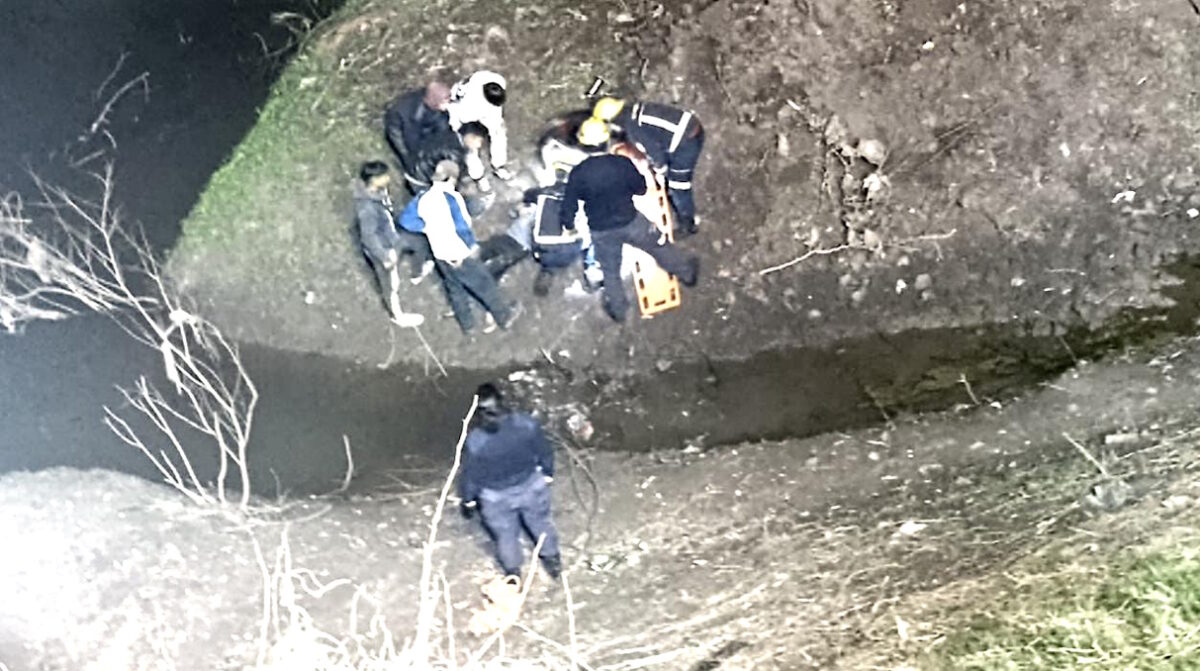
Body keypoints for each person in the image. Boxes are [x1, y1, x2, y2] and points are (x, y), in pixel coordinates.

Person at [560, 119, 698, 322]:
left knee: (610, 270)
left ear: (582, 143)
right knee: (659, 245)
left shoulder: (579, 173)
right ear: (606, 140)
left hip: (601, 230)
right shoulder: (621, 163)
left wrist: (569, 225)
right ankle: (687, 274)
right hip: (630, 221)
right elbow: (641, 188)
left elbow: (569, 206)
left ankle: (619, 310)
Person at [459, 383, 562, 579]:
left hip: (496, 498)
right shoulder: (525, 424)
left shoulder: (477, 440)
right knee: (540, 523)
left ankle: (513, 574)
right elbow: (544, 450)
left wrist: (468, 500)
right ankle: (553, 564)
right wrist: (548, 472)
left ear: (477, 411)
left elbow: (472, 475)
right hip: (531, 485)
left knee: (506, 536)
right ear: (502, 401)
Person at [411, 160, 518, 333]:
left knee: (454, 287)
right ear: (452, 179)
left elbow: (409, 222)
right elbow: (463, 226)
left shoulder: (423, 197)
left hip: (439, 252)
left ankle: (467, 324)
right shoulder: (453, 200)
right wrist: (470, 246)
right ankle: (504, 316)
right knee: (483, 283)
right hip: (458, 252)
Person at [592, 96, 705, 236]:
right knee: (672, 176)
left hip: (686, 142)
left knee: (678, 184)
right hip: (689, 127)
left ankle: (688, 223)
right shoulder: (635, 109)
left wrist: (660, 171)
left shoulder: (632, 127)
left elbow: (653, 152)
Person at [353, 161, 428, 327]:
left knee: (418, 243)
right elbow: (369, 237)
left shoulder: (378, 192)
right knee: (391, 284)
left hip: (391, 237)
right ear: (373, 180)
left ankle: (418, 270)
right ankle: (397, 315)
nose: (388, 178)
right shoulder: (367, 209)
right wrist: (384, 256)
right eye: (383, 176)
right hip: (382, 249)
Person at [384, 82, 464, 193]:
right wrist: (408, 159)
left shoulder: (438, 111)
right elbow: (397, 139)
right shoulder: (401, 112)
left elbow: (444, 130)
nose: (448, 106)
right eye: (445, 102)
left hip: (429, 141)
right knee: (419, 170)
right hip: (414, 146)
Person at [448, 71, 514, 189]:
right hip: (458, 114)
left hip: (485, 113)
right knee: (469, 146)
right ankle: (478, 176)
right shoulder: (470, 104)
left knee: (499, 133)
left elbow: (495, 113)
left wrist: (496, 125)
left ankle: (499, 165)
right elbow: (463, 119)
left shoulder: (497, 80)